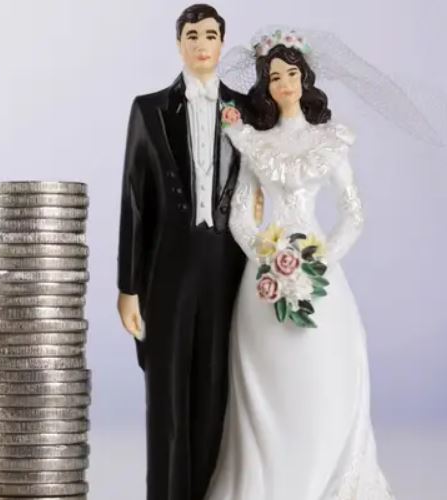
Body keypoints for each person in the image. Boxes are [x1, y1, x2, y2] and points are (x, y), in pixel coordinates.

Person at [202, 29, 396, 499]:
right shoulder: (255, 142)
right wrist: (268, 259)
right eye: (274, 76)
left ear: (305, 79)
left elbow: (353, 212)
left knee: (324, 374)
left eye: (291, 74)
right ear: (265, 86)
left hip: (317, 274)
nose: (284, 83)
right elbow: (242, 217)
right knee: (269, 381)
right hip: (265, 278)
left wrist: (321, 259)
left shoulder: (329, 140)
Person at [115, 4, 260, 499]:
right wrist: (127, 287)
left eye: (211, 35)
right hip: (167, 267)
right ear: (179, 44)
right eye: (192, 34)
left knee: (215, 389)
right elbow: (134, 201)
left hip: (226, 265)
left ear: (222, 44)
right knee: (166, 393)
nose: (202, 43)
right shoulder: (149, 109)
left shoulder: (248, 111)